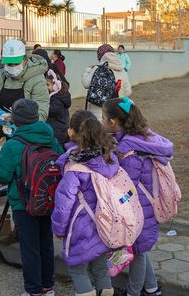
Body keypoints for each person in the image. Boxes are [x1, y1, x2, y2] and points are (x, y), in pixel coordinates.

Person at [102, 97, 173, 296]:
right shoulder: (141, 139)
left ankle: (133, 292)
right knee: (141, 249)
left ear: (113, 122)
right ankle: (151, 289)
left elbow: (126, 187)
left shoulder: (128, 150)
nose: (102, 121)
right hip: (145, 206)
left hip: (137, 209)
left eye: (103, 118)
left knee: (138, 252)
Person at [0, 98, 63, 296]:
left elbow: (2, 176)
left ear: (15, 120)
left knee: (30, 248)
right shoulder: (50, 137)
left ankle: (34, 290)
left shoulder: (13, 145)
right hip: (48, 199)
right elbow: (60, 161)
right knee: (46, 244)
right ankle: (48, 287)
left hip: (24, 205)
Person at [52, 110, 118, 296]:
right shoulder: (109, 158)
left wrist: (58, 229)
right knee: (101, 268)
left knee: (77, 269)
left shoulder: (74, 167)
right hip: (105, 222)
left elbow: (64, 204)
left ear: (72, 133)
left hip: (80, 226)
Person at [0, 39, 50, 137]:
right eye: (9, 64)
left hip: (29, 134)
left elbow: (42, 111)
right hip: (6, 131)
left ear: (25, 59)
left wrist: (21, 124)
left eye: (16, 63)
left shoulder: (36, 78)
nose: (13, 67)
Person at [82, 44, 132, 121]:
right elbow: (128, 91)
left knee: (97, 130)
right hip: (116, 110)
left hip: (97, 112)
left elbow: (86, 83)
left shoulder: (97, 68)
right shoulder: (122, 70)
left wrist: (87, 70)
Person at [45, 70, 71, 145]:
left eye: (48, 85)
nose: (46, 87)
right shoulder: (60, 96)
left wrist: (42, 104)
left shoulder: (57, 98)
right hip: (60, 127)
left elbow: (52, 110)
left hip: (58, 130)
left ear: (56, 85)